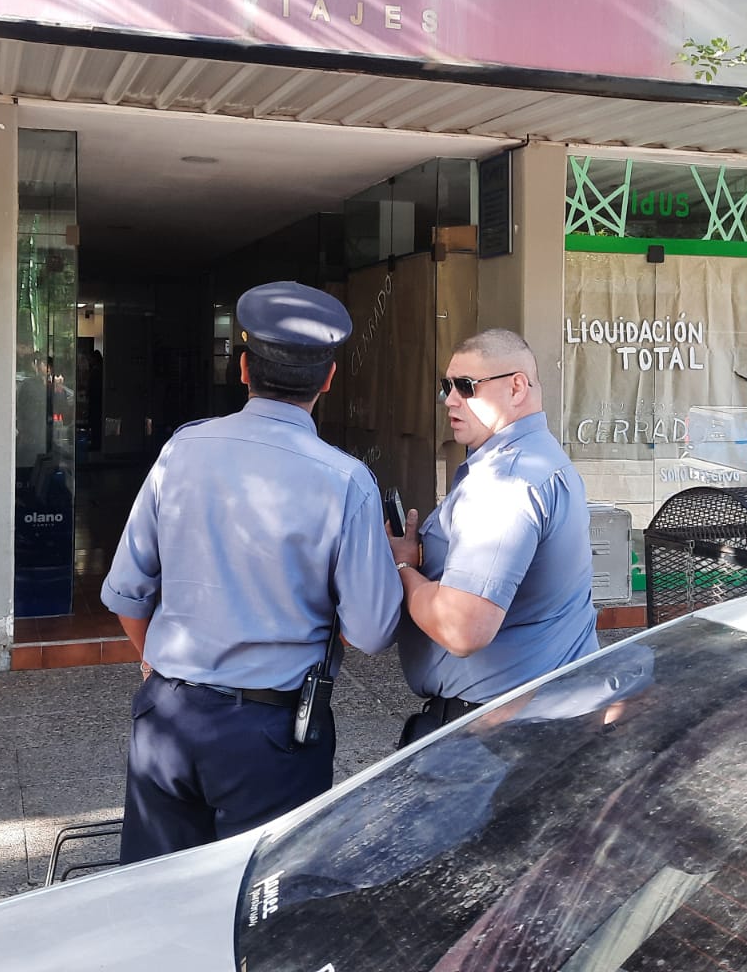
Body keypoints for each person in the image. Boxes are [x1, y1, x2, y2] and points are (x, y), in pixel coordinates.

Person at [101, 280, 403, 864]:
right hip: (272, 734)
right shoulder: (345, 481)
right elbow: (371, 631)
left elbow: (128, 593)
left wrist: (157, 666)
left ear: (243, 368)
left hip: (167, 715)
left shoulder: (181, 451)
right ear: (329, 380)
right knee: (258, 916)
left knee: (152, 905)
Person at [388, 328, 598, 746]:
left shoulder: (508, 481)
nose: (450, 399)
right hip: (533, 720)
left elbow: (463, 628)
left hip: (501, 736)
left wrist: (404, 567)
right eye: (445, 386)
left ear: (516, 386)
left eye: (466, 387)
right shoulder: (534, 461)